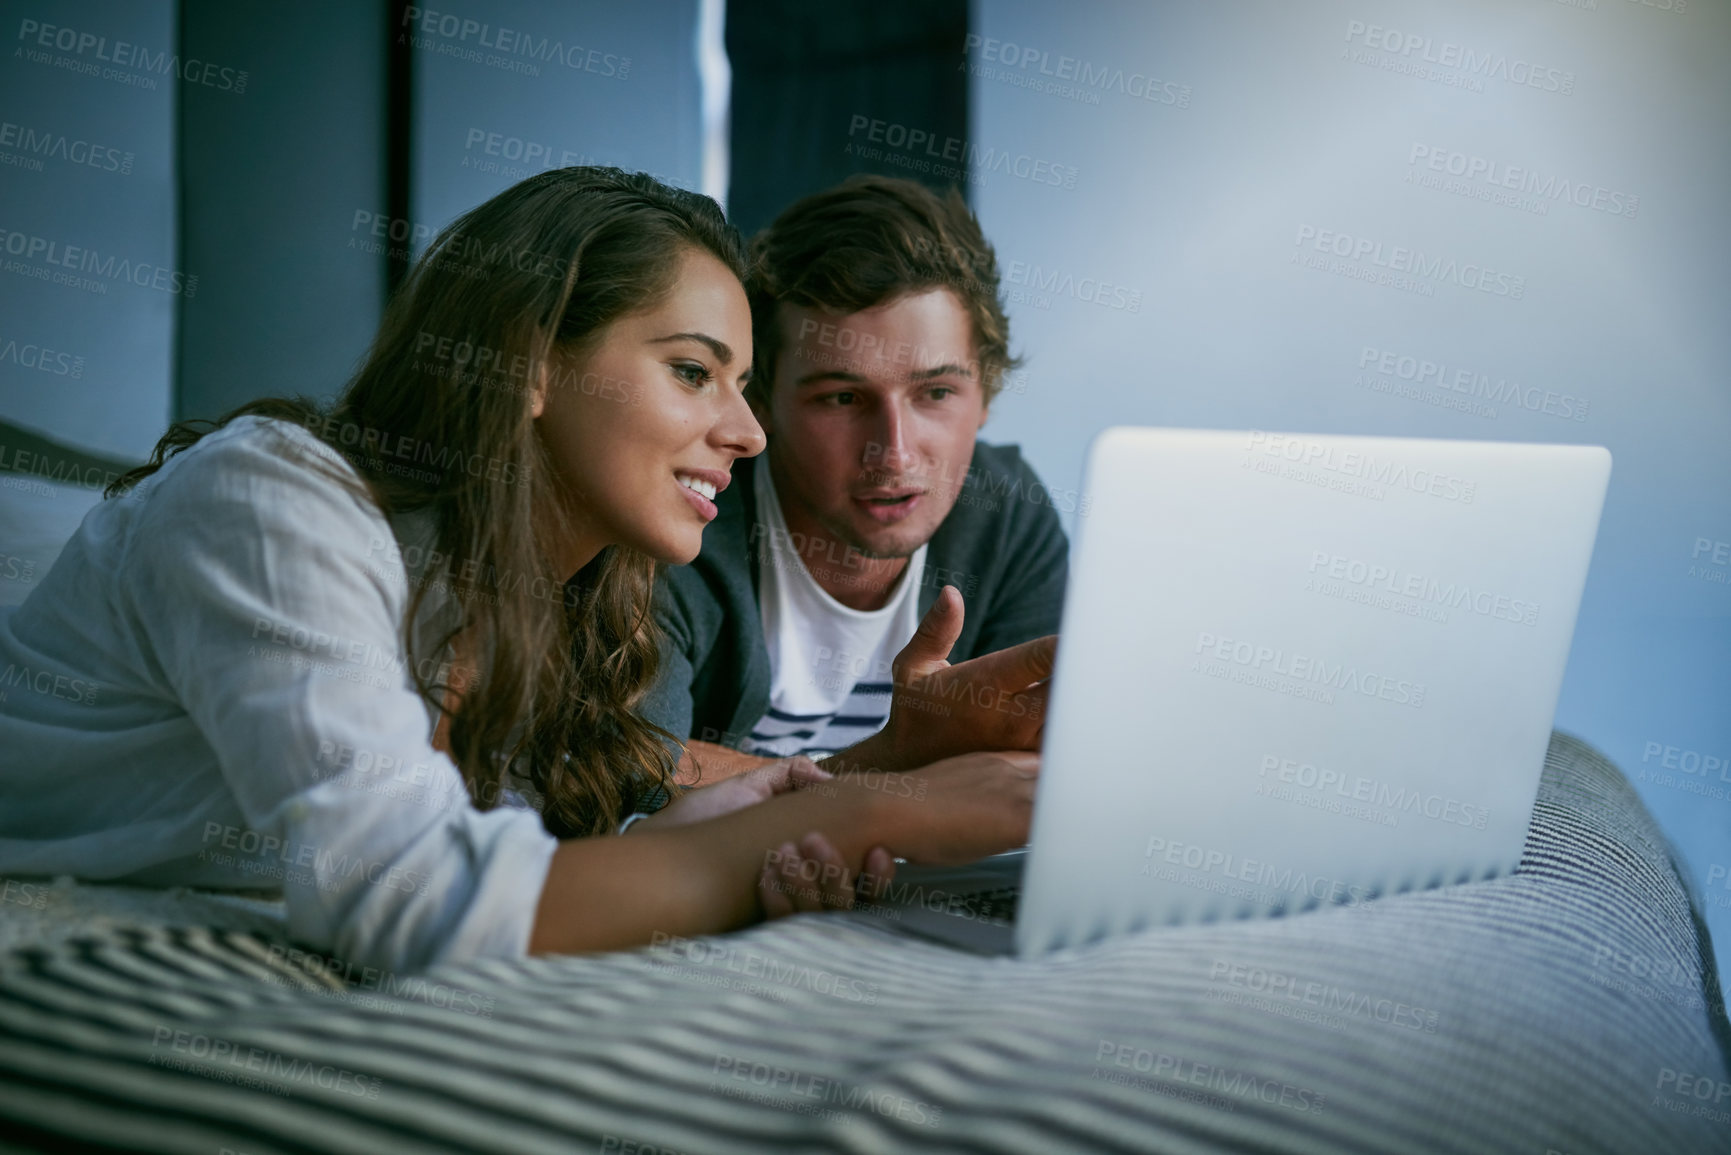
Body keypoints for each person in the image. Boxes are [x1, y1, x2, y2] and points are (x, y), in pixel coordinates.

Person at [0, 168, 1041, 973]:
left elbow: (587, 837)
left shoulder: (555, 592)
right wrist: (871, 808)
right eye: (691, 372)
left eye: (741, 384)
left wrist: (844, 794)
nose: (748, 432)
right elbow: (410, 898)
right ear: (534, 361)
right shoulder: (270, 501)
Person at [640, 175, 1068, 784]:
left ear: (987, 394)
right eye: (842, 397)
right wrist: (885, 775)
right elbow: (634, 769)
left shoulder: (1007, 512)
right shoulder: (685, 514)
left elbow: (1031, 765)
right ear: (760, 401)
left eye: (937, 392)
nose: (892, 453)